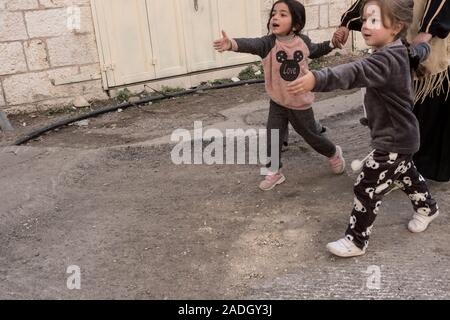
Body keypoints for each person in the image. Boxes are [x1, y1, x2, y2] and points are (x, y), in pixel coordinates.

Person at [287, 0, 439, 257]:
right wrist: (424, 46)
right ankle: (427, 208)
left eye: (374, 21)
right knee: (406, 174)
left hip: (394, 139)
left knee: (365, 185)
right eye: (365, 19)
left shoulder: (385, 59)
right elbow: (420, 51)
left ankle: (356, 240)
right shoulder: (401, 49)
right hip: (402, 136)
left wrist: (317, 78)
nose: (366, 27)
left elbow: (353, 71)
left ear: (396, 28)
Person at [213, 0, 345, 191]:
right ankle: (274, 171)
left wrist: (332, 43)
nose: (275, 17)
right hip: (278, 101)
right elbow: (250, 44)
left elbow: (316, 50)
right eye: (274, 13)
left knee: (311, 136)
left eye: (283, 14)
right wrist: (231, 44)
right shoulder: (268, 44)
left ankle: (333, 153)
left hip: (300, 103)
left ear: (296, 24)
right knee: (272, 136)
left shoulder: (303, 42)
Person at [333, 0, 450, 182]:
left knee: (422, 119)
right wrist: (347, 23)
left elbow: (350, 73)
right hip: (401, 45)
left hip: (428, 51)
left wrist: (426, 31)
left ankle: (412, 177)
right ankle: (273, 164)